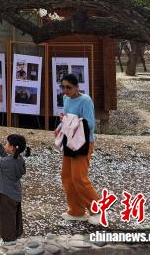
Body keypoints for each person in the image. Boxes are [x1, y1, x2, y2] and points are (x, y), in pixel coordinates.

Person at [54, 73, 101, 224]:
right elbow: (66, 118)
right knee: (66, 176)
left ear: (77, 87)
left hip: (83, 142)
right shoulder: (66, 98)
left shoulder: (85, 100)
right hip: (69, 141)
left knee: (79, 178)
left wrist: (68, 120)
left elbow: (90, 124)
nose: (65, 90)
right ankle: (76, 211)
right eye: (63, 87)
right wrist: (60, 126)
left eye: (68, 87)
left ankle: (98, 210)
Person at [0, 134, 31, 245]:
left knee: (5, 218)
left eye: (6, 143)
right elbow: (5, 156)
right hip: (15, 194)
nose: (5, 145)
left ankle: (8, 241)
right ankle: (16, 235)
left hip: (5, 195)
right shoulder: (19, 159)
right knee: (14, 216)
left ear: (12, 148)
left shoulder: (8, 162)